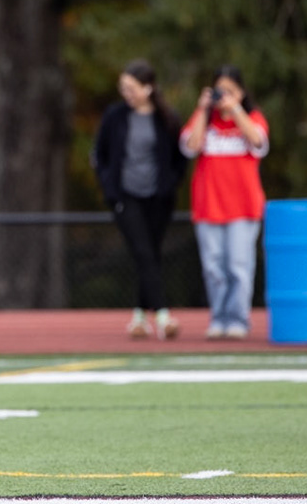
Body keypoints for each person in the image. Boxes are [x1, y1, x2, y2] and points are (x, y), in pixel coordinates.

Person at [92, 59, 186, 339]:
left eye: (132, 88)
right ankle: (163, 316)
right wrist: (110, 190)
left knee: (151, 256)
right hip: (126, 196)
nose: (127, 94)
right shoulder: (115, 116)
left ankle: (138, 317)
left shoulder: (167, 118)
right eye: (123, 88)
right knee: (144, 253)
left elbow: (179, 159)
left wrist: (169, 185)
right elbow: (100, 155)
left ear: (148, 88)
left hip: (158, 198)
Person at [178, 65, 268, 338]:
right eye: (220, 91)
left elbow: (258, 141)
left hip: (242, 208)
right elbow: (189, 147)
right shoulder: (205, 121)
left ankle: (238, 319)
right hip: (208, 207)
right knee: (213, 267)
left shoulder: (253, 118)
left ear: (241, 93)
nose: (224, 97)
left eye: (230, 91)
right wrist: (203, 110)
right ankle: (219, 316)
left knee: (238, 266)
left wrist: (236, 110)